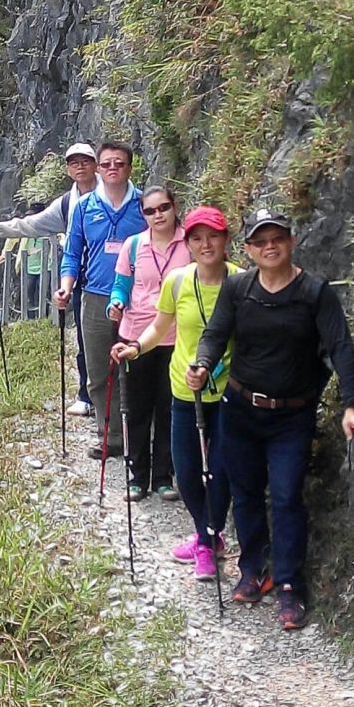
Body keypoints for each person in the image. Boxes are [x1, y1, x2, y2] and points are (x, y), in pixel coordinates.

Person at [189, 207, 354, 630]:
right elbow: (217, 332)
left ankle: (290, 585)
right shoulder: (237, 288)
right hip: (240, 409)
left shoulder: (314, 291)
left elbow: (340, 348)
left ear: (291, 242)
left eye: (278, 238)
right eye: (260, 241)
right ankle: (253, 568)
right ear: (249, 249)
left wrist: (351, 404)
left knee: (287, 496)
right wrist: (201, 363)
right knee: (246, 491)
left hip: (292, 415)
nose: (270, 246)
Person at [112, 206, 239, 583]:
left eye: (213, 236)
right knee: (186, 474)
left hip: (229, 391)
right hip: (184, 390)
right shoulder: (179, 282)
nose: (205, 244)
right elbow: (159, 327)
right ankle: (208, 534)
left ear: (225, 240)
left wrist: (214, 369)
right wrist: (135, 347)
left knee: (220, 471)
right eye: (197, 238)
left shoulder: (242, 282)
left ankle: (205, 540)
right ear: (188, 242)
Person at [0, 142, 99, 416]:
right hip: (83, 278)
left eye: (85, 161)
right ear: (68, 170)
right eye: (74, 163)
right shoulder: (68, 203)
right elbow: (32, 224)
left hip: (117, 276)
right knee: (85, 338)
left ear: (95, 164)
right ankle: (87, 396)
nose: (80, 167)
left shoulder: (115, 194)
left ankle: (121, 403)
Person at [55, 141, 146, 459]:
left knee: (137, 369)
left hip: (139, 299)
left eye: (118, 163)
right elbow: (72, 254)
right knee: (98, 371)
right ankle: (110, 436)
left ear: (129, 168)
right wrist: (66, 287)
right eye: (106, 164)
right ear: (98, 167)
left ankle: (138, 436)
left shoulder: (144, 205)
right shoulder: (83, 207)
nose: (111, 169)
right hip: (94, 296)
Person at [107, 186, 189, 501]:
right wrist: (114, 303)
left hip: (177, 338)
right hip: (136, 335)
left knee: (169, 409)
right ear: (143, 214)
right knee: (138, 409)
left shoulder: (190, 243)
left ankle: (164, 477)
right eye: (150, 211)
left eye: (163, 208)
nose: (158, 215)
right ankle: (138, 477)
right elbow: (121, 285)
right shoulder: (134, 245)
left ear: (174, 206)